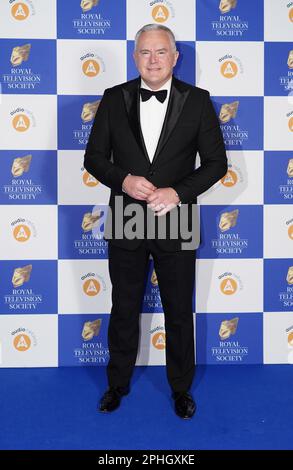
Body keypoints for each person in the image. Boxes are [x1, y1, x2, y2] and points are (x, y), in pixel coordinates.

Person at [84, 24, 227, 419]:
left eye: (160, 51)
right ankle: (117, 384)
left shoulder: (198, 101)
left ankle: (181, 389)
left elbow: (217, 164)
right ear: (135, 57)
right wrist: (123, 180)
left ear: (175, 56)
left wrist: (178, 192)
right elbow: (93, 158)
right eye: (145, 52)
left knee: (178, 310)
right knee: (123, 306)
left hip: (176, 216)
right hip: (127, 216)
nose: (152, 59)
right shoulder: (113, 99)